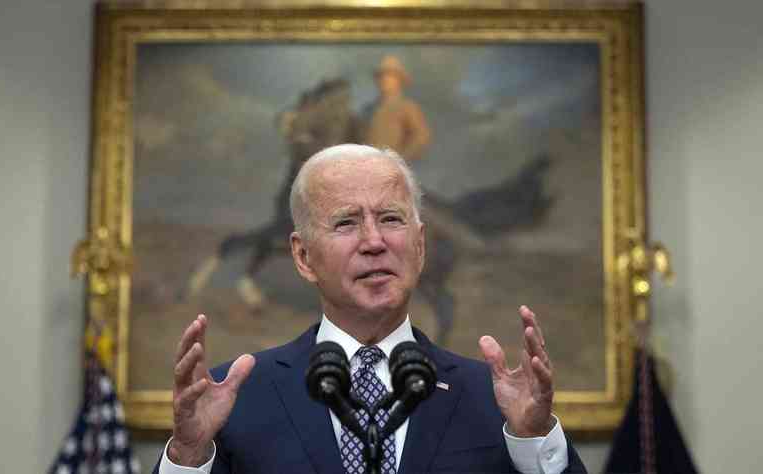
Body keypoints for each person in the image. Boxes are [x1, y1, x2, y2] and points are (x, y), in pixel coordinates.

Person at [155, 144, 586, 474]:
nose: (374, 241)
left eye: (391, 219)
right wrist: (188, 455)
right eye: (346, 222)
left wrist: (534, 439)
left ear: (419, 246)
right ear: (303, 257)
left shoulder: (494, 400)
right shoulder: (237, 397)